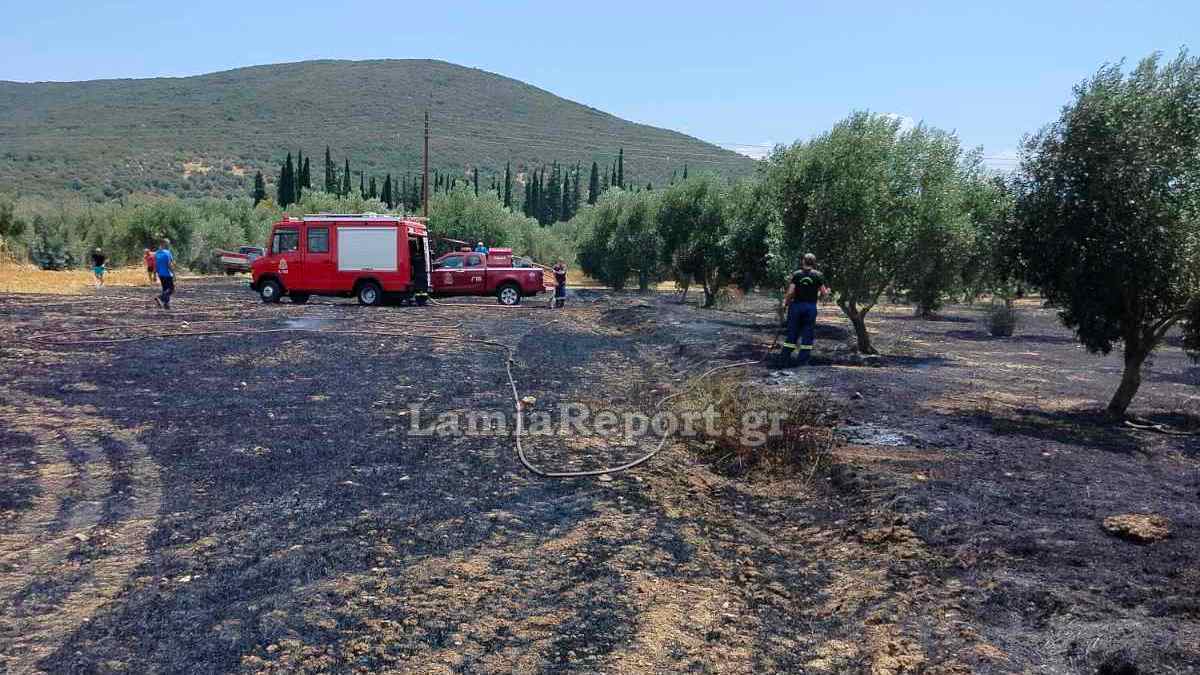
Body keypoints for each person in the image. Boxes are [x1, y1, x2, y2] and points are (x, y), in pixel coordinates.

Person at [780, 253, 827, 366]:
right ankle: (802, 360)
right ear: (814, 263)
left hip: (796, 306)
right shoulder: (818, 275)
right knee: (808, 332)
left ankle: (784, 358)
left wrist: (785, 303)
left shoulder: (797, 274)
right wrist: (824, 294)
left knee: (792, 331)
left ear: (803, 261)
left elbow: (791, 291)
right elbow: (824, 292)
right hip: (810, 307)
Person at [154, 238, 176, 309]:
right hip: (167, 274)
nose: (168, 245)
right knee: (171, 289)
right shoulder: (167, 253)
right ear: (165, 244)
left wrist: (154, 275)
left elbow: (155, 265)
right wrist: (174, 273)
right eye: (168, 244)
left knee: (165, 289)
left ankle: (166, 305)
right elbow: (169, 264)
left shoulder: (156, 253)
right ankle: (160, 297)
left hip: (160, 274)